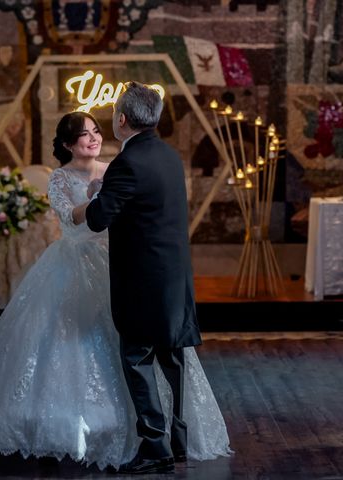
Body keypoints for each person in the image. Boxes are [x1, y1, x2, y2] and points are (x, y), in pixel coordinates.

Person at [0, 111, 231, 471]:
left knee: (139, 341)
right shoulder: (59, 177)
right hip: (72, 261)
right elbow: (70, 218)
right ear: (68, 144)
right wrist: (93, 202)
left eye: (96, 131)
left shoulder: (117, 167)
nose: (93, 138)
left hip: (119, 262)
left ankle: (160, 431)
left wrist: (104, 199)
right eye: (83, 134)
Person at [86, 82, 203, 474]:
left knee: (137, 358)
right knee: (174, 358)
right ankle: (179, 441)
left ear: (121, 119)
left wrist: (96, 195)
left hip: (141, 280)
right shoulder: (170, 156)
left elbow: (99, 218)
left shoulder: (127, 163)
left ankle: (155, 446)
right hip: (174, 276)